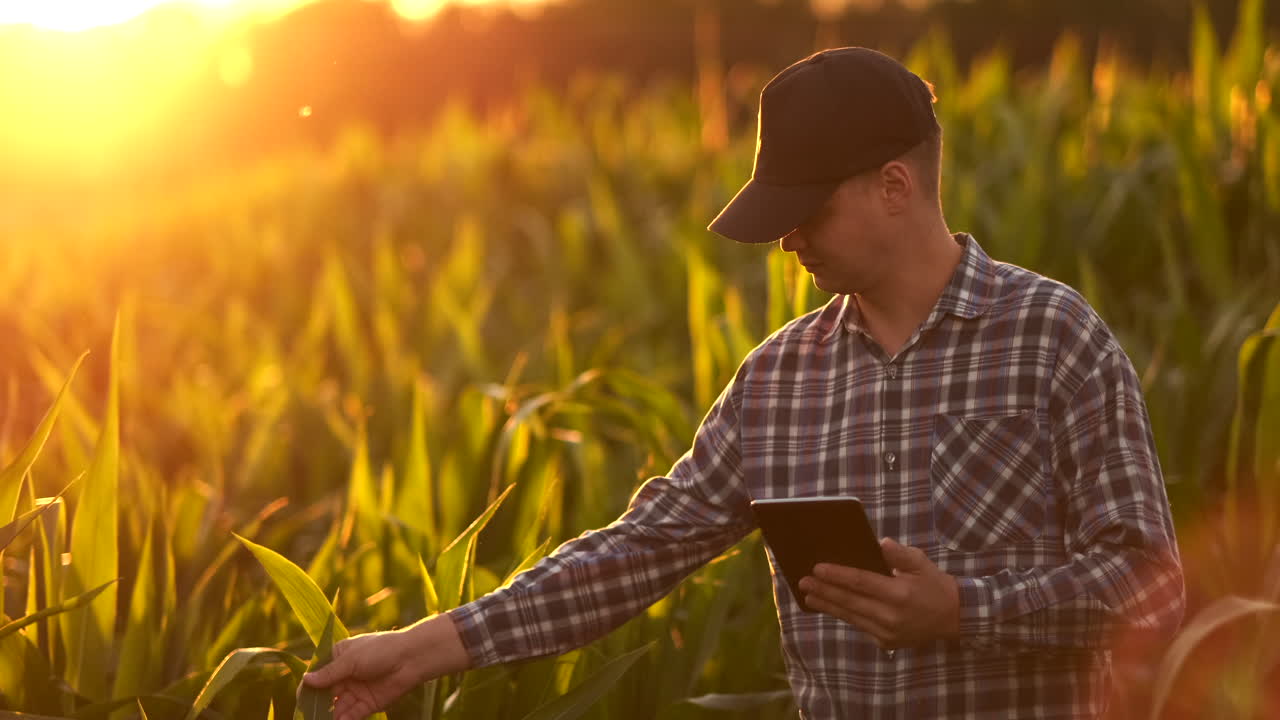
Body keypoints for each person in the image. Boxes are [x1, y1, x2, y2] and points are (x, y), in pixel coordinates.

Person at [301, 47, 1185, 719]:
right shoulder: (776, 384)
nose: (785, 239)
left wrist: (965, 610)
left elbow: (1153, 583)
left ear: (894, 186)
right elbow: (637, 551)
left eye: (807, 212)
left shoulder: (1055, 340)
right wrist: (424, 648)